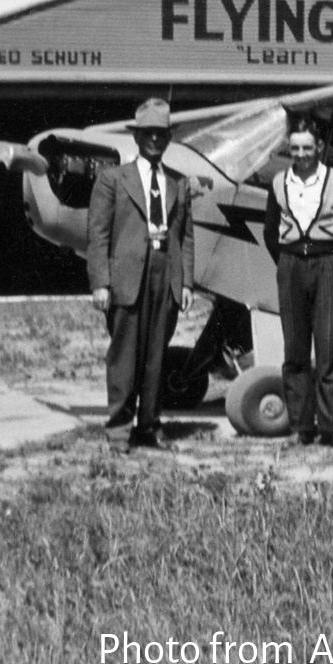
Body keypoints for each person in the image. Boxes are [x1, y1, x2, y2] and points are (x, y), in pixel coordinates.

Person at [87, 98, 195, 448]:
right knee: (124, 356)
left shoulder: (178, 183)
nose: (154, 140)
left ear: (168, 139)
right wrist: (101, 282)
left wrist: (186, 281)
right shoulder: (112, 179)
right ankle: (119, 430)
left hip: (166, 271)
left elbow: (186, 237)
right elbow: (98, 234)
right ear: (136, 137)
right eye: (148, 134)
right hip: (127, 276)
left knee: (156, 356)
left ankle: (149, 426)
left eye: (161, 134)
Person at [264, 118, 333, 446]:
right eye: (295, 148)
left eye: (307, 147)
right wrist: (288, 263)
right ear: (288, 149)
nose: (301, 154)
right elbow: (270, 231)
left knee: (327, 349)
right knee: (295, 351)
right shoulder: (278, 182)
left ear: (319, 147)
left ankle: (332, 428)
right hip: (290, 265)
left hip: (326, 264)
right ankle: (301, 427)